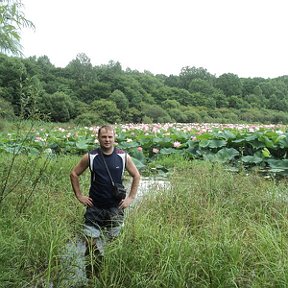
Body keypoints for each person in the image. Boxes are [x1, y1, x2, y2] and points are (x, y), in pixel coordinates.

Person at [70, 124, 141, 278]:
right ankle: (94, 271)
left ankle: (111, 273)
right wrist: (79, 195)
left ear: (114, 138)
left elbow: (136, 175)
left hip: (115, 207)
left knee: (114, 243)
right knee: (89, 242)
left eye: (110, 137)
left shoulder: (123, 156)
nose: (107, 140)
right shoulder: (90, 156)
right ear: (99, 138)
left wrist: (131, 198)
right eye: (104, 137)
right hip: (94, 206)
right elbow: (74, 174)